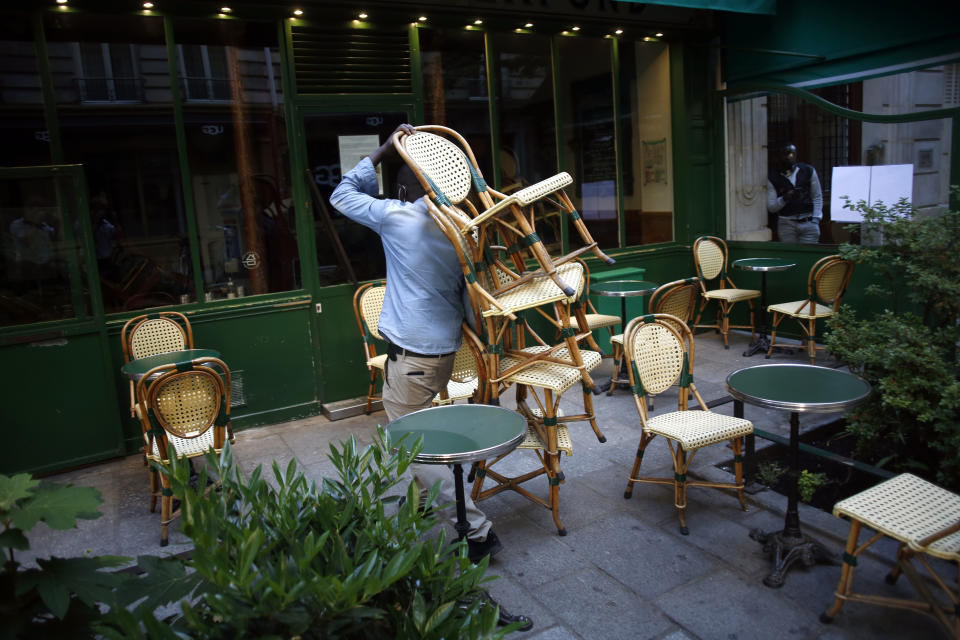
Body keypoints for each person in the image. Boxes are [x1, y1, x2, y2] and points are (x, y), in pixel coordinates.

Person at [330, 124, 503, 565]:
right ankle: (423, 507)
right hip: (441, 352)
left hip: (413, 359)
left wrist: (385, 149)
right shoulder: (464, 229)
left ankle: (477, 531)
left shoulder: (398, 216)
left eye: (404, 175)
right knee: (419, 433)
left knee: (411, 444)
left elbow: (341, 194)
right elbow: (471, 301)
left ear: (414, 181)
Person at [767, 143, 823, 243]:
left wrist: (815, 220)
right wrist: (784, 198)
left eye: (792, 154)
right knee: (790, 255)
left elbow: (817, 196)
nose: (789, 158)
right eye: (786, 154)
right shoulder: (773, 177)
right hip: (786, 224)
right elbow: (771, 207)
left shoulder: (808, 171)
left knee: (809, 256)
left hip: (808, 222)